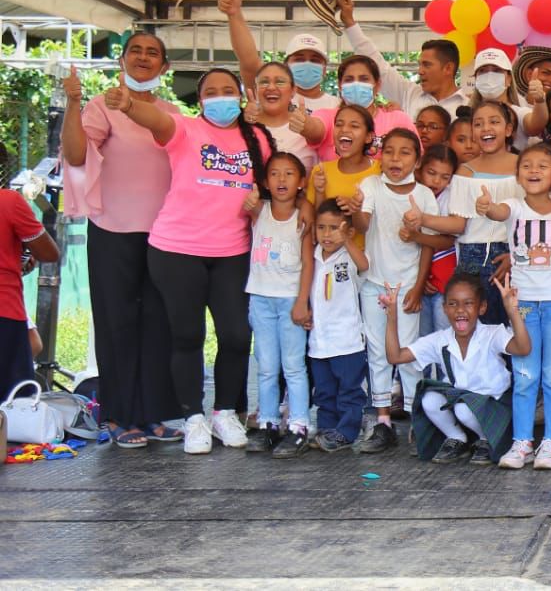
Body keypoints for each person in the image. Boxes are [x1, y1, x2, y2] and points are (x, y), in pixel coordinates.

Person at [111, 68, 274, 454]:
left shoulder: (258, 141)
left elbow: (271, 188)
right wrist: (131, 105)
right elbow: (156, 119)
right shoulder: (184, 130)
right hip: (176, 250)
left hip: (232, 252)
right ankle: (192, 419)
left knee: (236, 336)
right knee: (187, 336)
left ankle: (223, 412)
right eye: (211, 92)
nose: (221, 98)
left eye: (228, 91)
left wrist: (258, 204)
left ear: (241, 96)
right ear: (200, 101)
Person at [60, 32, 181, 448]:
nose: (144, 58)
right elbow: (76, 156)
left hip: (164, 235)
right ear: (123, 61)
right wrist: (74, 104)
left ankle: (154, 416)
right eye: (136, 51)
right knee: (118, 323)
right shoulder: (100, 107)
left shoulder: (170, 114)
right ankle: (118, 416)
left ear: (164, 67)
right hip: (112, 230)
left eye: (153, 53)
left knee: (159, 324)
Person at [476, 145, 551, 471]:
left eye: (542, 166)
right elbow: (497, 213)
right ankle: (522, 442)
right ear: (518, 175)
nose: (534, 171)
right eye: (527, 166)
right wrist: (486, 206)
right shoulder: (514, 207)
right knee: (524, 374)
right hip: (522, 307)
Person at [353, 128, 453, 454]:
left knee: (409, 355)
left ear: (417, 159)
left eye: (405, 152)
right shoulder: (370, 185)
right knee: (378, 353)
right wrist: (355, 209)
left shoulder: (423, 195)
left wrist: (417, 284)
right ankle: (383, 422)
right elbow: (363, 224)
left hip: (407, 286)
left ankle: (415, 422)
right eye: (390, 151)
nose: (396, 159)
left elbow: (435, 244)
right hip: (373, 283)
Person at [384, 274, 532, 465]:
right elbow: (395, 356)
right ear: (444, 308)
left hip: (494, 406)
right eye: (452, 304)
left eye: (468, 303)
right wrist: (392, 316)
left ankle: (486, 440)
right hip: (464, 404)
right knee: (429, 399)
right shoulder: (440, 339)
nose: (460, 310)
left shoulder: (492, 333)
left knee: (463, 408)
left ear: (482, 307)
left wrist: (512, 311)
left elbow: (523, 348)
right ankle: (457, 438)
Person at [243, 152, 314, 458]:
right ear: (265, 181)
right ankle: (269, 422)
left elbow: (309, 263)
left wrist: (301, 301)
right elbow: (243, 200)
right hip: (260, 299)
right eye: (274, 174)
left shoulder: (304, 218)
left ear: (301, 182)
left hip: (289, 301)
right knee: (267, 367)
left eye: (289, 174)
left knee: (294, 367)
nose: (281, 180)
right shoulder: (258, 210)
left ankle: (299, 425)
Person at [339, 0, 470, 121]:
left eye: (427, 65)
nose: (420, 71)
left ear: (448, 68)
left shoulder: (468, 106)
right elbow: (379, 66)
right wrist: (349, 22)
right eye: (419, 65)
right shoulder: (409, 93)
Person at [448, 101, 523, 325]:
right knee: (476, 329)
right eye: (478, 124)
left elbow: (533, 219)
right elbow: (458, 224)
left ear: (508, 130)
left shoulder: (525, 167)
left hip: (513, 256)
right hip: (473, 258)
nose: (486, 128)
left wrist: (516, 256)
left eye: (494, 122)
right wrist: (423, 221)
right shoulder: (465, 171)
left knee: (512, 328)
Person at [219, 0, 341, 114]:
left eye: (315, 60)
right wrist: (234, 14)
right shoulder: (270, 95)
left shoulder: (337, 106)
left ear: (324, 70)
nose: (307, 64)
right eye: (299, 59)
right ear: (286, 66)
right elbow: (249, 62)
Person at [307, 199, 370, 452]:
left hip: (347, 340)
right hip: (319, 340)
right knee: (323, 390)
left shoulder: (349, 255)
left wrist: (348, 241)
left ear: (347, 231)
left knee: (349, 390)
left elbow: (365, 265)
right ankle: (326, 429)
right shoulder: (312, 255)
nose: (327, 234)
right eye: (321, 227)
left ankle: (346, 432)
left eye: (334, 228)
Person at [302, 55, 417, 163]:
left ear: (377, 85)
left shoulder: (398, 119)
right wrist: (305, 124)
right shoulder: (327, 116)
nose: (356, 84)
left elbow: (417, 158)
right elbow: (315, 129)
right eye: (349, 79)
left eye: (364, 79)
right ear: (340, 86)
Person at [1, 190, 59, 398]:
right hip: (4, 310)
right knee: (13, 406)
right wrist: (22, 249)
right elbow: (49, 253)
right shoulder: (8, 201)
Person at [308, 104, 380, 249]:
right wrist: (320, 191)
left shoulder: (381, 170)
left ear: (368, 137)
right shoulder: (320, 171)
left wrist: (355, 209)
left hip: (371, 262)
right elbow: (317, 219)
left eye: (354, 126)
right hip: (330, 262)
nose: (344, 130)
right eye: (339, 124)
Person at [416, 144, 460, 336]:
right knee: (422, 341)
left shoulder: (451, 197)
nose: (436, 181)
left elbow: (448, 241)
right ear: (419, 168)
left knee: (445, 339)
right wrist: (421, 279)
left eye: (445, 177)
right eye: (431, 173)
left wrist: (417, 235)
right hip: (416, 279)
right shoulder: (411, 193)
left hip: (445, 279)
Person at [243, 61, 319, 173]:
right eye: (264, 82)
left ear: (293, 90)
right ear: (255, 90)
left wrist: (308, 128)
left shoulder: (306, 128)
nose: (271, 87)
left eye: (279, 82)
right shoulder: (242, 127)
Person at [466, 48, 548, 150]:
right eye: (482, 71)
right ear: (476, 79)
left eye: (497, 70)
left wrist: (540, 100)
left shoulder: (518, 113)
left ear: (509, 79)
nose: (489, 76)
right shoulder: (467, 114)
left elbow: (536, 125)